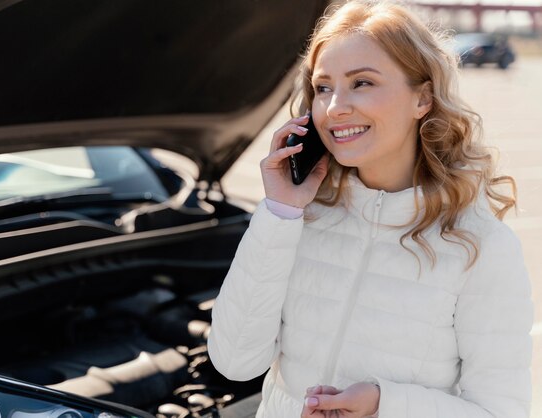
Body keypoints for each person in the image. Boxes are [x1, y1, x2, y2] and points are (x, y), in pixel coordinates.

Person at [207, 0, 533, 417]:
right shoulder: (298, 217)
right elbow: (235, 363)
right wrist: (279, 213)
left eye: (362, 83)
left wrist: (387, 406)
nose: (335, 106)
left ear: (423, 99)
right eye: (323, 88)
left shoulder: (480, 245)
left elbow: (501, 411)